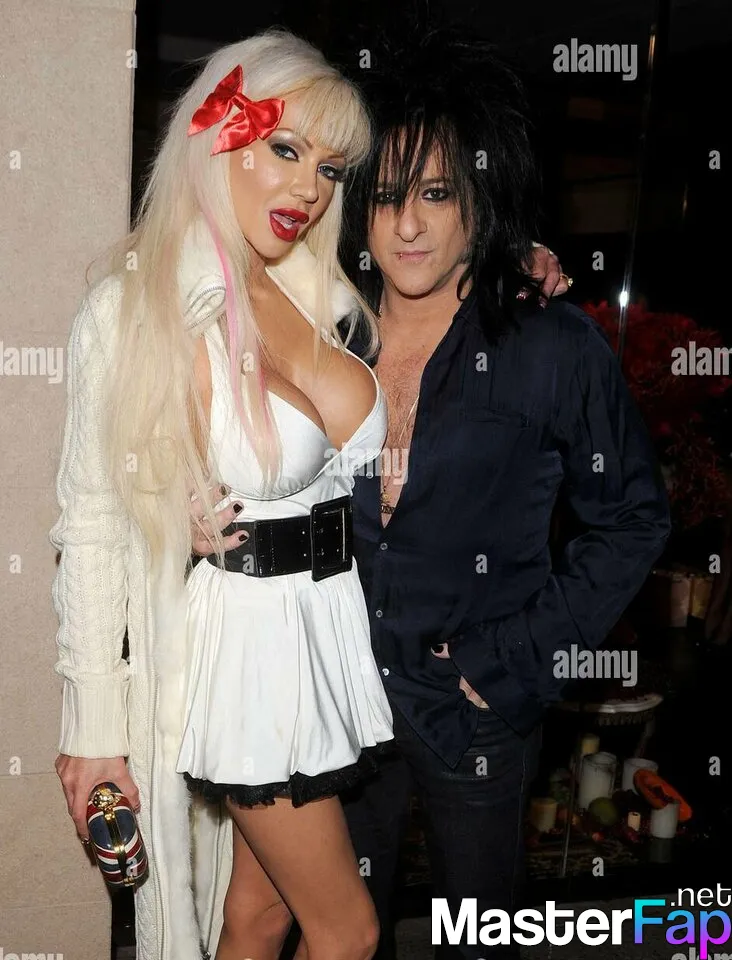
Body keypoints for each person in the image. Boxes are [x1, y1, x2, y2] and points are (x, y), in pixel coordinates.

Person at [193, 29, 671, 960]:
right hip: (337, 689)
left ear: (480, 200)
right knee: (343, 932)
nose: (408, 225)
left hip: (473, 704)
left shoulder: (550, 345)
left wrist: (511, 659)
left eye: (439, 194)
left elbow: (632, 520)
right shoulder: (327, 329)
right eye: (385, 196)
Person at [51, 29, 397, 960]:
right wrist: (94, 732)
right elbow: (92, 526)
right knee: (350, 931)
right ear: (219, 142)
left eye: (329, 168)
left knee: (260, 916)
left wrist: (514, 265)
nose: (309, 188)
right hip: (246, 655)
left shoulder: (309, 291)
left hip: (320, 635)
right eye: (285, 149)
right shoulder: (134, 309)